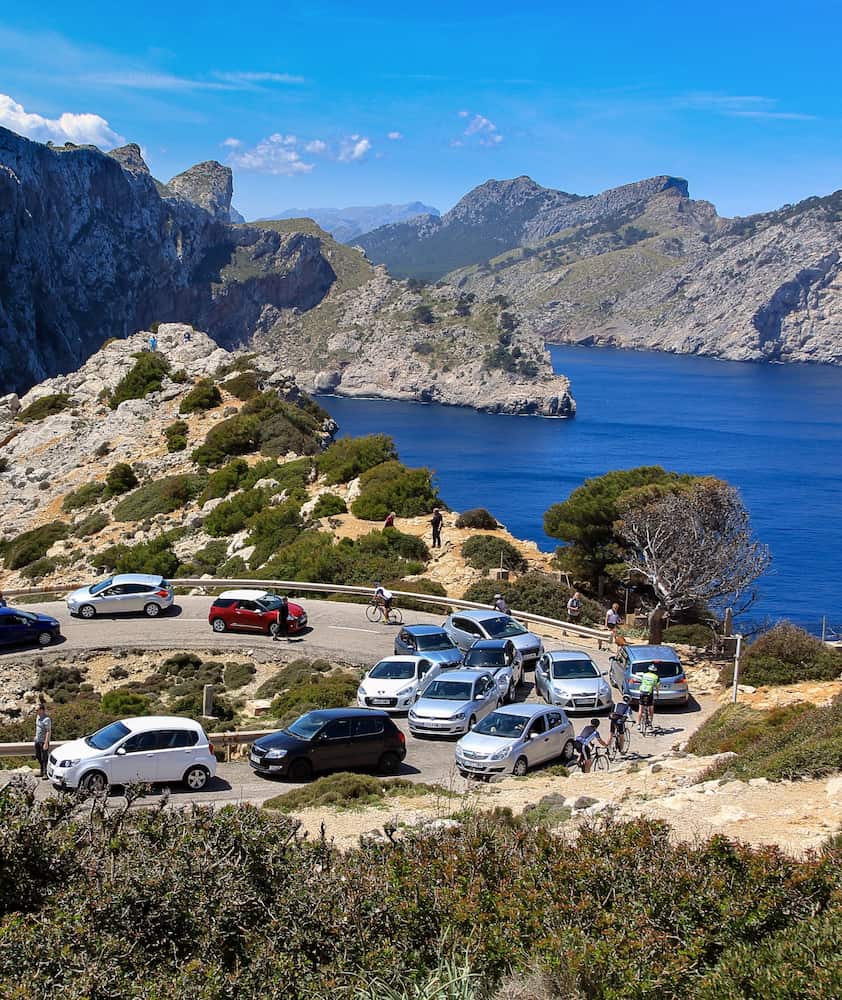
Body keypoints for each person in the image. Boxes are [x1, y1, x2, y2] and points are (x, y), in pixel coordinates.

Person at [637, 663, 661, 730]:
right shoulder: (656, 677)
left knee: (640, 709)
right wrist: (657, 693)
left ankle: (638, 724)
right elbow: (657, 686)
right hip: (649, 693)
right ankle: (650, 724)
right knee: (651, 708)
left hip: (642, 692)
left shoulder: (644, 675)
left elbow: (642, 682)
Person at [34, 703, 51, 780]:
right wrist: (36, 736)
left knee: (44, 758)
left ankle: (45, 773)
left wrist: (46, 743)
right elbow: (38, 728)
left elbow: (48, 731)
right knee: (38, 756)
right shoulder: (38, 717)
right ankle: (41, 771)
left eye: (37, 710)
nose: (36, 711)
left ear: (42, 710)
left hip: (43, 741)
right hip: (37, 740)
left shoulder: (46, 719)